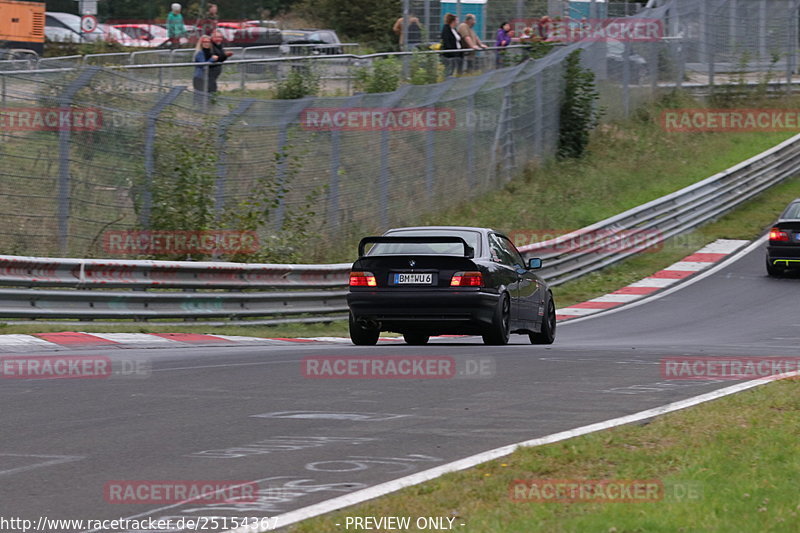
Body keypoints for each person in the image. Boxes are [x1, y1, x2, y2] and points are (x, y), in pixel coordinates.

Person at [193, 34, 218, 107]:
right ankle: (200, 110)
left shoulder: (210, 52)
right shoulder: (200, 53)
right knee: (200, 96)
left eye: (208, 42)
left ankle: (209, 109)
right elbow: (204, 65)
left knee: (210, 94)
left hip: (208, 77)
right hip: (200, 77)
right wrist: (212, 59)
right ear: (201, 43)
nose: (206, 43)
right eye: (204, 42)